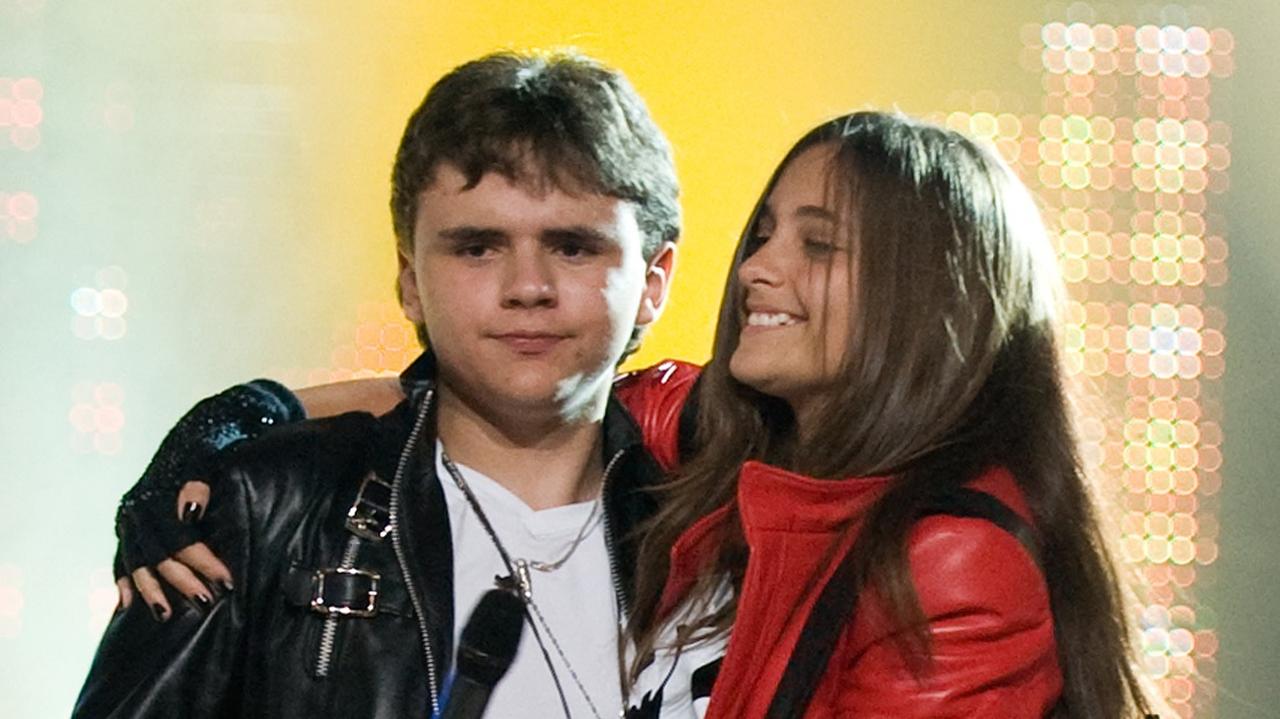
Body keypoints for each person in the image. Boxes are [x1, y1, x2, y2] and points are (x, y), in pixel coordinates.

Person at [110, 112, 1161, 718]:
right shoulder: (728, 442)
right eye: (762, 234)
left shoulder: (953, 559)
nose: (757, 269)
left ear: (928, 293)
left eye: (817, 244)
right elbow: (493, 382)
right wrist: (233, 423)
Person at [75, 48, 684, 719]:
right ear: (410, 280)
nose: (528, 287)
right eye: (477, 247)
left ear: (653, 281)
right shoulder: (265, 509)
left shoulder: (717, 528)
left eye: (572, 246)